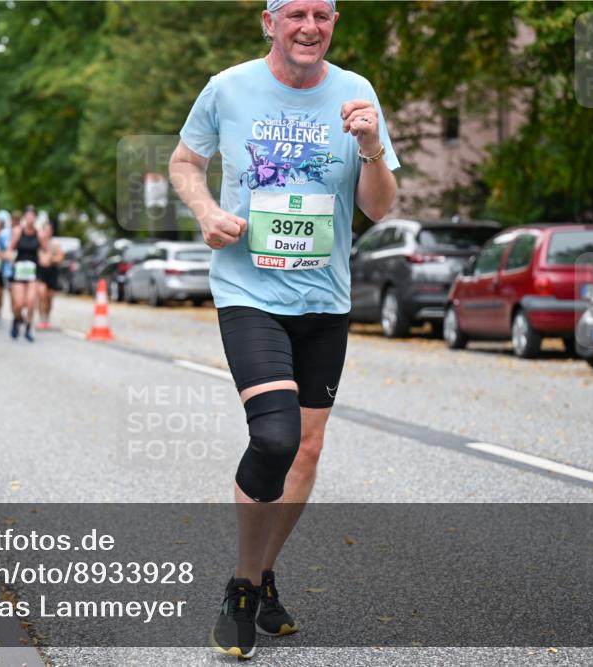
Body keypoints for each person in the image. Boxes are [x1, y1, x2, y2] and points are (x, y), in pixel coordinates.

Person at [169, 0, 399, 658]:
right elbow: (184, 162)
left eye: (321, 15)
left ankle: (261, 576)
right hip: (249, 291)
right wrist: (206, 209)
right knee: (275, 436)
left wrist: (370, 147)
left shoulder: (357, 93)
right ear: (269, 22)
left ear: (333, 24)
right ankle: (242, 587)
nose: (309, 27)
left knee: (307, 451)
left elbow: (380, 208)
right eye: (294, 13)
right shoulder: (228, 88)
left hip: (324, 300)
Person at [7, 206, 43, 341]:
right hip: (19, 270)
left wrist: (46, 257)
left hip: (33, 271)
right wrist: (9, 255)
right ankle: (16, 319)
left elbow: (45, 250)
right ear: (24, 218)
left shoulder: (39, 233)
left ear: (35, 218)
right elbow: (10, 248)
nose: (30, 218)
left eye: (32, 216)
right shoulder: (17, 231)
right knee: (18, 303)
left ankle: (28, 327)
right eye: (28, 216)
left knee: (30, 302)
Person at [35, 221, 63, 330]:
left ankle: (47, 319)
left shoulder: (55, 243)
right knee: (42, 295)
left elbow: (60, 257)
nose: (47, 232)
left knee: (49, 297)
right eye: (45, 229)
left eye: (49, 230)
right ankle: (41, 319)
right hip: (41, 272)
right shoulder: (38, 243)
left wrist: (51, 259)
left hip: (52, 272)